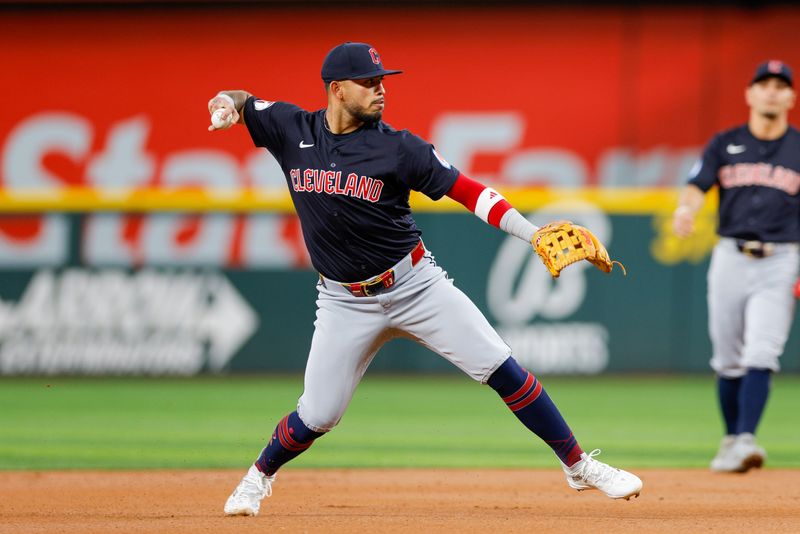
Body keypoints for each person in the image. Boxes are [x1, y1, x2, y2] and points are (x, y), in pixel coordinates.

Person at [209, 42, 643, 516]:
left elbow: (470, 191)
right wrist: (229, 104)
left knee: (503, 368)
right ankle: (257, 478)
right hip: (343, 301)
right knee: (317, 415)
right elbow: (245, 99)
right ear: (336, 90)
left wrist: (531, 232)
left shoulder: (399, 147)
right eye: (369, 82)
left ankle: (578, 466)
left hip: (416, 286)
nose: (380, 90)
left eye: (383, 81)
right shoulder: (293, 128)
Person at [672, 60, 799, 473]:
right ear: (749, 94)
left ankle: (745, 439)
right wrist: (685, 210)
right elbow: (696, 186)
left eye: (781, 85)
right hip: (730, 256)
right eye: (764, 84)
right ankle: (731, 440)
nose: (772, 91)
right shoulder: (724, 143)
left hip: (781, 259)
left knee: (762, 350)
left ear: (791, 98)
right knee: (727, 358)